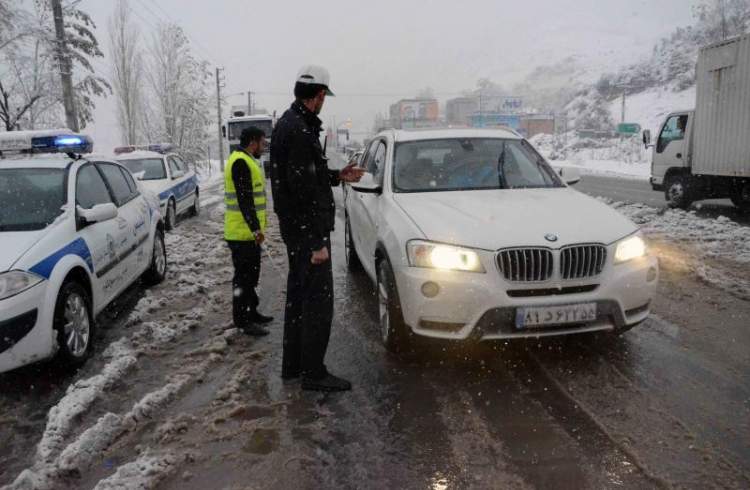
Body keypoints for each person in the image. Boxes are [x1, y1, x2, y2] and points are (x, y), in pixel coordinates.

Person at [271, 64, 364, 392]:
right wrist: (315, 243)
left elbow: (306, 178)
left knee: (298, 301)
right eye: (324, 97)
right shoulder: (298, 131)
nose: (324, 102)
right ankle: (313, 373)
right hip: (306, 235)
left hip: (298, 233)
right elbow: (301, 192)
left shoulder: (292, 124)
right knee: (317, 305)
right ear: (319, 95)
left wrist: (338, 175)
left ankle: (293, 367)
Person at [225, 127, 274, 336]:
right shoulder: (240, 162)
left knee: (251, 276)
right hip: (241, 234)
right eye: (262, 143)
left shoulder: (247, 160)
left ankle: (251, 312)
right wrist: (255, 229)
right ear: (253, 142)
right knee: (243, 279)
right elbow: (245, 200)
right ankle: (242, 321)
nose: (263, 148)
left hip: (248, 234)